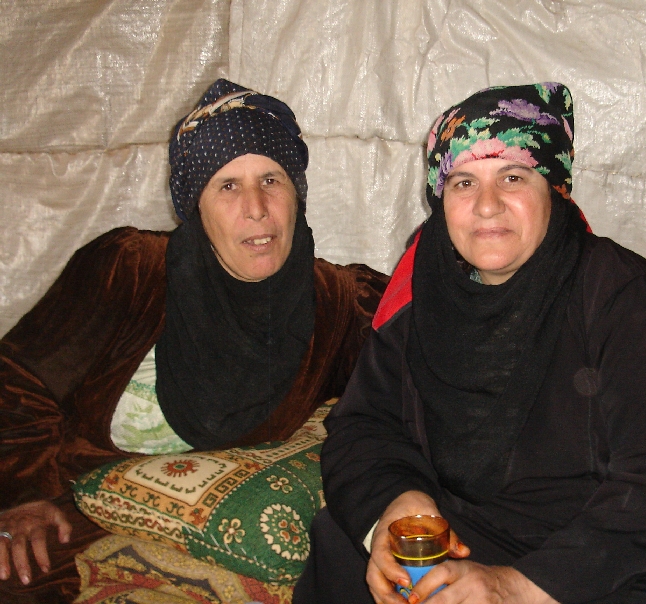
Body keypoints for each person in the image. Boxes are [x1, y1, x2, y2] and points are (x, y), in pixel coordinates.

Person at [293, 83, 646, 603]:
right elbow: (365, 424)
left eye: (513, 177)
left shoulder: (632, 302)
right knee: (347, 545)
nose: (487, 206)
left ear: (555, 189)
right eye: (463, 183)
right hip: (480, 529)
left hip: (623, 546)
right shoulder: (422, 291)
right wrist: (398, 503)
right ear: (440, 198)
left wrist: (520, 587)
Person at [0, 78, 388, 602]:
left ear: (296, 193)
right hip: (72, 514)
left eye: (271, 179)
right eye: (227, 186)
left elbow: (416, 359)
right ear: (194, 206)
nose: (256, 208)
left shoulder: (339, 304)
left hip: (219, 548)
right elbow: (18, 380)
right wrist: (23, 494)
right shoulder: (129, 270)